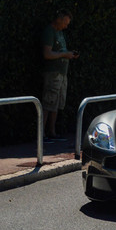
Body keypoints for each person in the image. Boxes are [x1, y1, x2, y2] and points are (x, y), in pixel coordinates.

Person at [41, 9, 79, 141]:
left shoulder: (60, 33)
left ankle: (52, 131)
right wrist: (64, 54)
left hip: (62, 73)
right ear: (59, 19)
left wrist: (69, 54)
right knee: (48, 101)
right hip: (53, 73)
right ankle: (42, 133)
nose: (66, 26)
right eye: (65, 22)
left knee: (56, 103)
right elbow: (47, 54)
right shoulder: (49, 32)